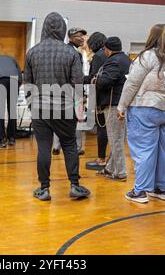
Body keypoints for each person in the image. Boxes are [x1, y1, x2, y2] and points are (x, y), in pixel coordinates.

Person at [25, 12, 91, 201]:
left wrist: (32, 106)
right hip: (65, 108)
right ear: (63, 29)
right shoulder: (71, 53)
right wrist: (79, 110)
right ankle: (75, 186)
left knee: (44, 147)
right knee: (69, 144)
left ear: (44, 28)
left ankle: (44, 189)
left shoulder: (32, 52)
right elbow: (77, 85)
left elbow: (27, 84)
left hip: (40, 108)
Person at [117, 24, 165, 204]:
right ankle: (162, 188)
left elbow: (132, 83)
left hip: (144, 108)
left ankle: (140, 191)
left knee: (144, 150)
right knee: (164, 150)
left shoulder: (147, 56)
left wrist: (122, 105)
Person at [94, 37, 131, 181]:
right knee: (117, 139)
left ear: (107, 50)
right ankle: (110, 167)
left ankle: (120, 172)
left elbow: (105, 80)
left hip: (114, 105)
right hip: (123, 103)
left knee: (115, 139)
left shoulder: (113, 61)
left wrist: (96, 78)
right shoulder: (127, 60)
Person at [52, 27, 87, 156]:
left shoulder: (60, 51)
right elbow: (78, 76)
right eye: (79, 36)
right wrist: (81, 93)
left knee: (58, 118)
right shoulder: (75, 54)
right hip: (73, 91)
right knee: (78, 119)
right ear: (71, 37)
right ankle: (78, 147)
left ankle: (56, 146)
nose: (82, 38)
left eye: (83, 36)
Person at [84, 32, 109, 170]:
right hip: (110, 96)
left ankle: (101, 159)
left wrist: (77, 79)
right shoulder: (107, 54)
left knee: (102, 128)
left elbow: (93, 77)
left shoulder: (98, 56)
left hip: (100, 96)